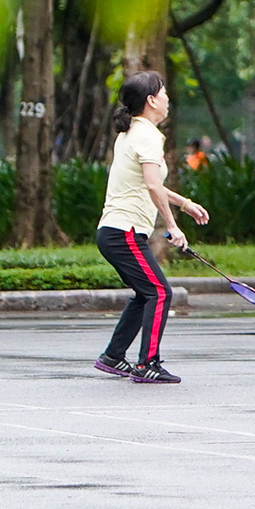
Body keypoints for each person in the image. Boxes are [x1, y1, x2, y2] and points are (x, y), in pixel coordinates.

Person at [94, 72, 210, 384]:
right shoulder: (145, 135)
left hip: (115, 231)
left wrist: (184, 203)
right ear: (151, 101)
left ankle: (113, 356)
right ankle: (148, 363)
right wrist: (174, 227)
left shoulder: (133, 132)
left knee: (146, 293)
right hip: (124, 231)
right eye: (164, 93)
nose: (168, 98)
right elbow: (152, 186)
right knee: (160, 292)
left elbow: (152, 185)